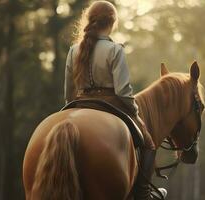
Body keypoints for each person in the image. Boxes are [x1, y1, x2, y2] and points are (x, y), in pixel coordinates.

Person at [64, 1, 166, 199]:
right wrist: (134, 111)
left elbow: (68, 92)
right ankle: (143, 195)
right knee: (149, 144)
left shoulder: (72, 51)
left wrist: (70, 108)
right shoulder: (115, 50)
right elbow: (122, 91)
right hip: (112, 105)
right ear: (113, 22)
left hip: (77, 104)